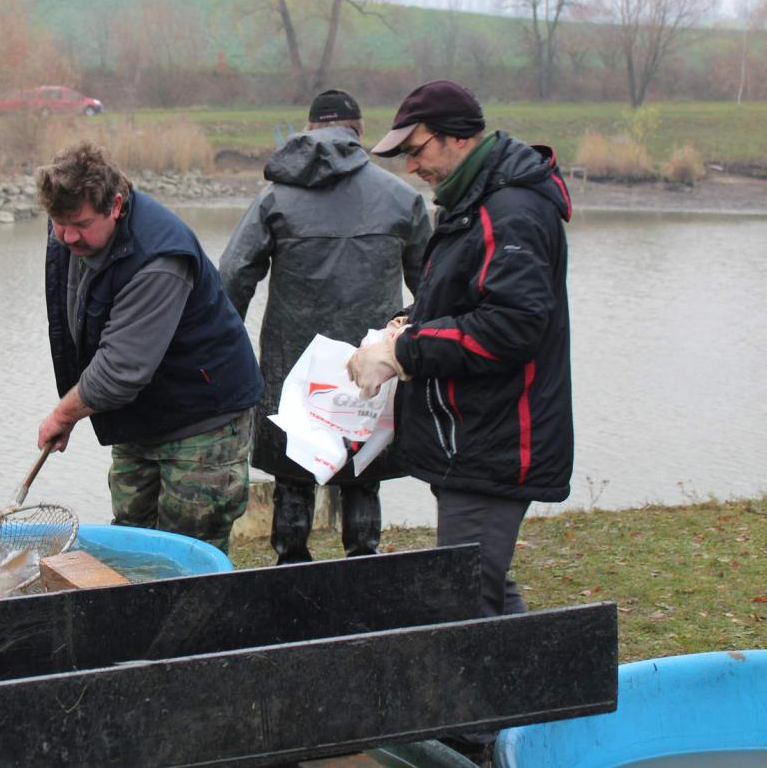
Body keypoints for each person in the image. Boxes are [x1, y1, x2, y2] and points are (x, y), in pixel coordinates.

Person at [349, 79, 573, 621]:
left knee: (465, 599)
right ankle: (540, 671)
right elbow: (467, 298)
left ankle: (512, 678)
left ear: (458, 138)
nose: (410, 167)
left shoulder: (511, 211)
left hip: (497, 442)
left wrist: (405, 353)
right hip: (471, 437)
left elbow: (512, 326)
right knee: (481, 584)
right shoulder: (472, 201)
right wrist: (406, 324)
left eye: (416, 150)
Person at [220, 89, 430, 565]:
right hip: (372, 362)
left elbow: (232, 275)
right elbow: (433, 288)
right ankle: (362, 564)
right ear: (360, 131)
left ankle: (290, 568)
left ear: (308, 129)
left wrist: (227, 351)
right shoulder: (401, 197)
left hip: (291, 365)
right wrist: (412, 341)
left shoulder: (276, 197)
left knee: (293, 475)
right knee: (363, 473)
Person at [37, 141, 263, 553]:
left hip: (204, 418)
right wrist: (76, 407)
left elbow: (120, 369)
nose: (67, 236)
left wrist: (63, 414)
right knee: (131, 543)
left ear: (115, 205)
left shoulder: (159, 258)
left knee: (187, 550)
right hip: (139, 414)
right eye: (58, 222)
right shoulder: (73, 234)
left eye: (80, 224)